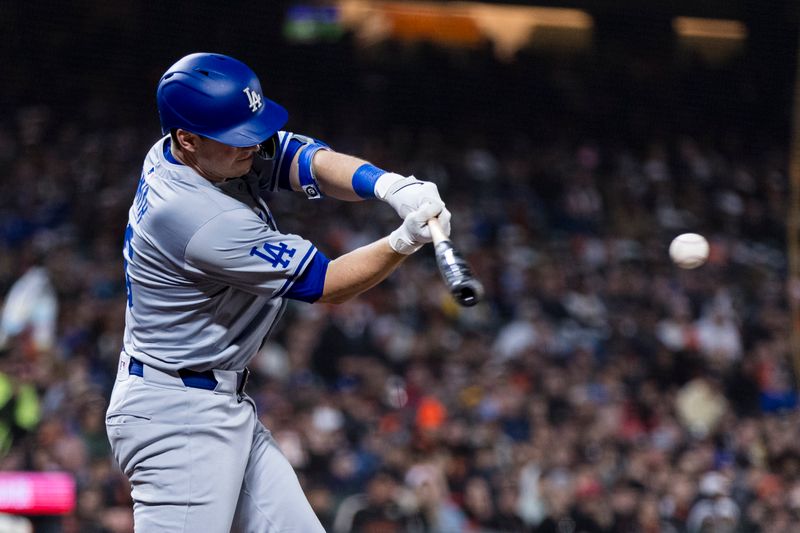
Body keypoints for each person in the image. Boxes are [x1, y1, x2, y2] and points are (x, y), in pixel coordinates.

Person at [105, 52, 451, 532]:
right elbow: (326, 285)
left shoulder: (188, 149)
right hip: (176, 418)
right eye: (237, 137)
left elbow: (298, 158)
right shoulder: (195, 216)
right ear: (187, 139)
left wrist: (389, 186)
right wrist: (404, 240)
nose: (253, 145)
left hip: (212, 398)